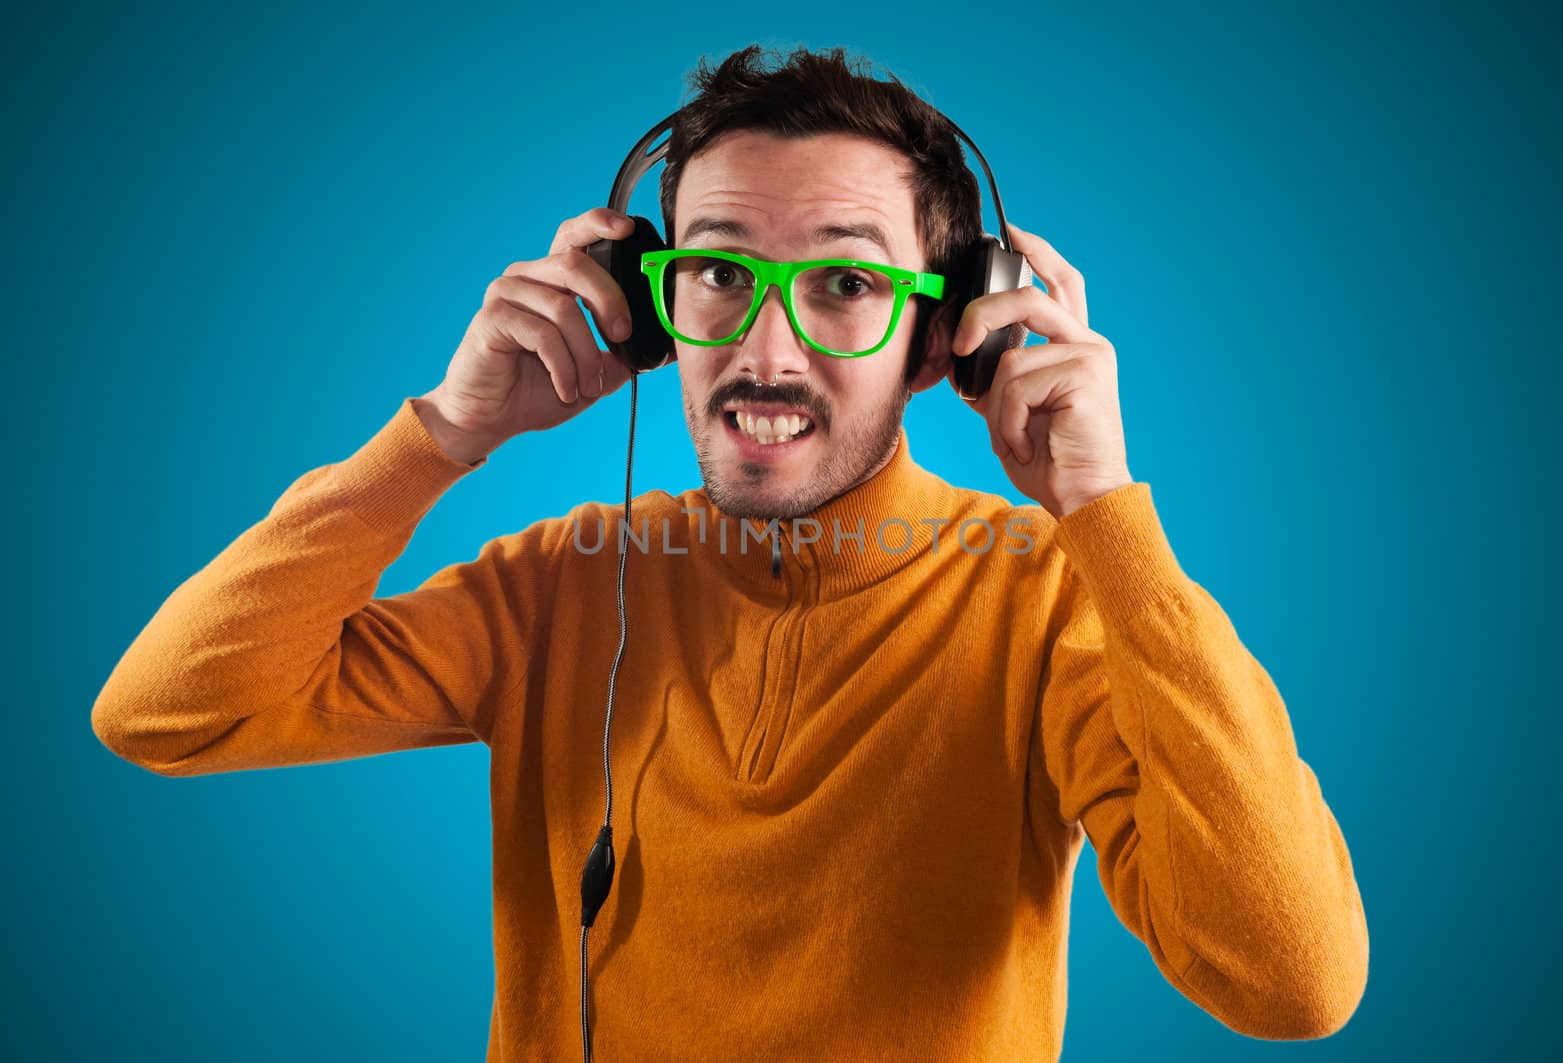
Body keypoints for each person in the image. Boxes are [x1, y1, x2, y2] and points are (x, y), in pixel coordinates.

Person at [91, 44, 1368, 1062]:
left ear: (946, 343)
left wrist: (1107, 519)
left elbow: (1290, 983)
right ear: (649, 308)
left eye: (845, 285)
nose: (766, 350)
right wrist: (441, 433)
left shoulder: (1057, 602)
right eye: (717, 275)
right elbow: (165, 714)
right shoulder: (564, 578)